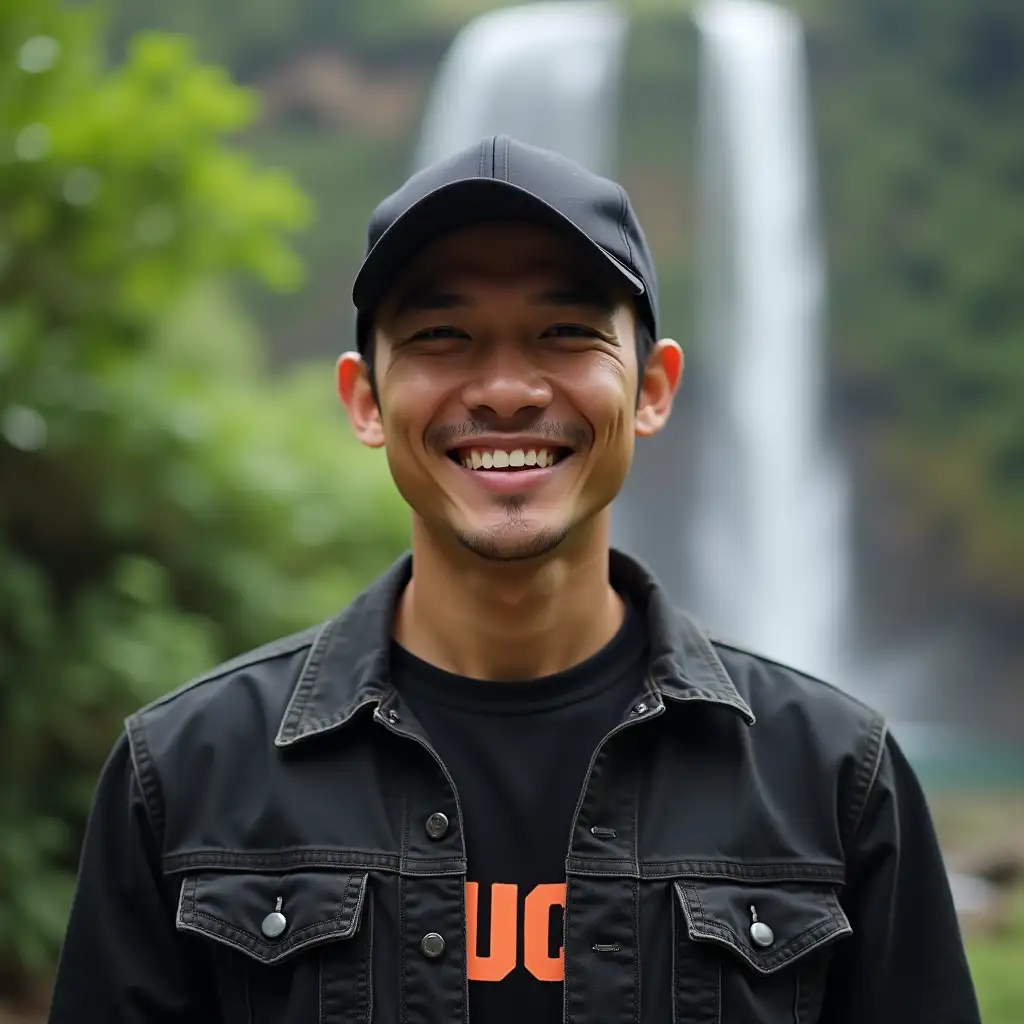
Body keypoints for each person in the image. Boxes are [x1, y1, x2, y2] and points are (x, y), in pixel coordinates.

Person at [49, 135, 980, 1024]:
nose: (504, 388)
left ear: (652, 388)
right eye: (443, 334)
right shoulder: (182, 777)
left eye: (566, 331)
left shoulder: (836, 781)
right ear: (364, 401)